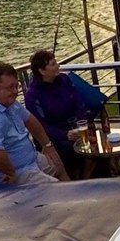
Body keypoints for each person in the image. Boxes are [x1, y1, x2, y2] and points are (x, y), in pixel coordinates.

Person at [0, 62, 68, 185]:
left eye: (17, 86)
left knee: (58, 164)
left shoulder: (9, 103)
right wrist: (11, 173)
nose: (15, 91)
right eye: (10, 87)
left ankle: (75, 191)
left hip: (31, 162)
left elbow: (30, 120)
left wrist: (47, 145)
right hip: (13, 174)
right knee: (58, 189)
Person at [24, 50, 88, 178]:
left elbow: (78, 103)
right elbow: (40, 125)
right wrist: (65, 134)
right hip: (52, 136)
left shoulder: (64, 80)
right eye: (53, 64)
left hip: (73, 126)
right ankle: (76, 178)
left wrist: (80, 124)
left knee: (92, 137)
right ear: (42, 71)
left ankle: (90, 173)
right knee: (68, 148)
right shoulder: (33, 94)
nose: (58, 66)